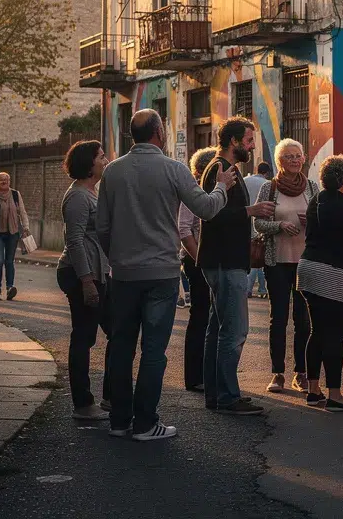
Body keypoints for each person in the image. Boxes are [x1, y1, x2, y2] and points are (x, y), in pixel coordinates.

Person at [96, 109, 236, 440]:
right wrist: (221, 187)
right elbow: (207, 209)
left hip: (124, 273)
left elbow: (101, 227)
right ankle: (145, 423)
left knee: (121, 346)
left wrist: (117, 256)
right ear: (160, 132)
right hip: (160, 272)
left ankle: (119, 420)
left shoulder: (112, 173)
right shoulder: (173, 169)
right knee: (153, 350)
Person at [197, 117, 277, 416]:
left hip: (223, 259)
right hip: (224, 260)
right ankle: (227, 397)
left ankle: (219, 394)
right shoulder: (220, 169)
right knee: (234, 331)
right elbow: (212, 214)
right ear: (233, 142)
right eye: (248, 140)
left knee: (218, 330)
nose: (252, 145)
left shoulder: (226, 168)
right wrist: (251, 210)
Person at [297, 155, 343, 411]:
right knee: (335, 335)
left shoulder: (316, 200)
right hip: (335, 274)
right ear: (342, 179)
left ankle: (313, 390)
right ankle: (335, 395)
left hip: (308, 268)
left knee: (317, 331)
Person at [253, 139, 317, 394]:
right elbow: (258, 223)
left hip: (305, 261)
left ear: (303, 159)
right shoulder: (270, 189)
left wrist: (310, 220)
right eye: (288, 156)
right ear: (279, 161)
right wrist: (279, 225)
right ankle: (277, 373)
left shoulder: (312, 188)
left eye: (297, 155)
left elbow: (322, 221)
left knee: (303, 319)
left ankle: (300, 373)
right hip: (276, 261)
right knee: (278, 318)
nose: (294, 160)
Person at [56, 140, 112, 421]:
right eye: (101, 157)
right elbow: (75, 241)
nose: (105, 160)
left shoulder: (91, 191)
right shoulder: (78, 196)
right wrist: (87, 281)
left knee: (116, 329)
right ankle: (83, 403)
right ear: (88, 165)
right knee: (83, 337)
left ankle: (112, 396)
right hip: (81, 274)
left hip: (97, 272)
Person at [178, 148, 217, 392]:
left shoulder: (214, 191)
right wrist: (201, 260)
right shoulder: (193, 192)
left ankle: (209, 373)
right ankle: (195, 377)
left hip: (212, 261)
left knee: (213, 318)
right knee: (201, 317)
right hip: (197, 262)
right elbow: (184, 230)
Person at [0, 171, 31, 301]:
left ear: (9, 181)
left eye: (6, 180)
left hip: (12, 232)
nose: (4, 182)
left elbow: (22, 212)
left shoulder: (15, 194)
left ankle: (9, 288)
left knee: (9, 261)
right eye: (1, 180)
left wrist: (26, 227)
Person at [246, 162, 273, 299]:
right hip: (261, 222)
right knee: (260, 255)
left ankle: (251, 288)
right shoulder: (268, 185)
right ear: (267, 172)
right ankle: (262, 289)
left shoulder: (245, 180)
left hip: (246, 220)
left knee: (253, 255)